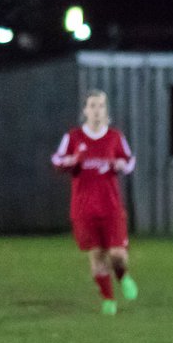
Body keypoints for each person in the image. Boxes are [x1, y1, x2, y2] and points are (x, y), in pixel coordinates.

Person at [50, 90, 138, 315]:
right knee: (98, 255)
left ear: (106, 110)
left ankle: (123, 276)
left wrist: (121, 165)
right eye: (92, 106)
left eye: (101, 106)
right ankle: (108, 299)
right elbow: (57, 160)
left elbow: (129, 161)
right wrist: (71, 161)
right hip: (84, 208)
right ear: (85, 111)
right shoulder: (73, 137)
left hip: (111, 207)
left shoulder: (115, 137)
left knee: (117, 255)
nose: (97, 110)